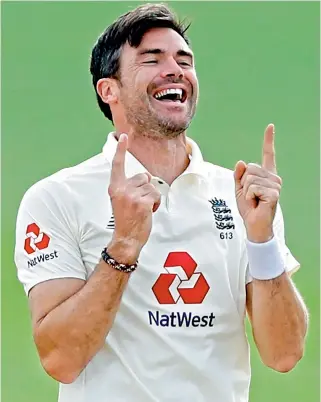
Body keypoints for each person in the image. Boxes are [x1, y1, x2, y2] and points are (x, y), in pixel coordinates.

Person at [14, 4, 308, 402]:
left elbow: (285, 354)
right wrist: (123, 246)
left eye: (184, 60)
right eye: (153, 59)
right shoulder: (57, 197)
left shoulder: (240, 196)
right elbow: (61, 359)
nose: (176, 70)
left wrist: (262, 241)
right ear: (109, 89)